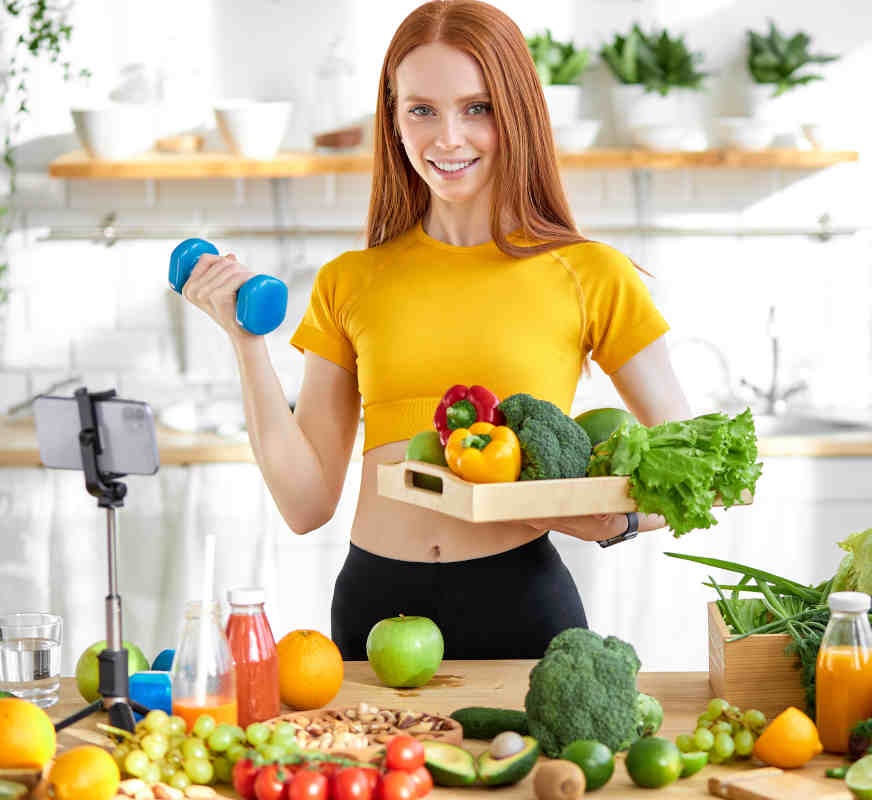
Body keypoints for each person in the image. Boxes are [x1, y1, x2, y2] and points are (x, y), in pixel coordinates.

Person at [180, 0, 691, 660]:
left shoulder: (588, 272)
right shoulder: (350, 281)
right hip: (372, 605)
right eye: (421, 109)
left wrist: (616, 521)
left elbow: (693, 476)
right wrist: (244, 344)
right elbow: (305, 504)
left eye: (476, 108)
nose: (447, 137)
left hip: (523, 604)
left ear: (518, 115)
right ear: (392, 121)